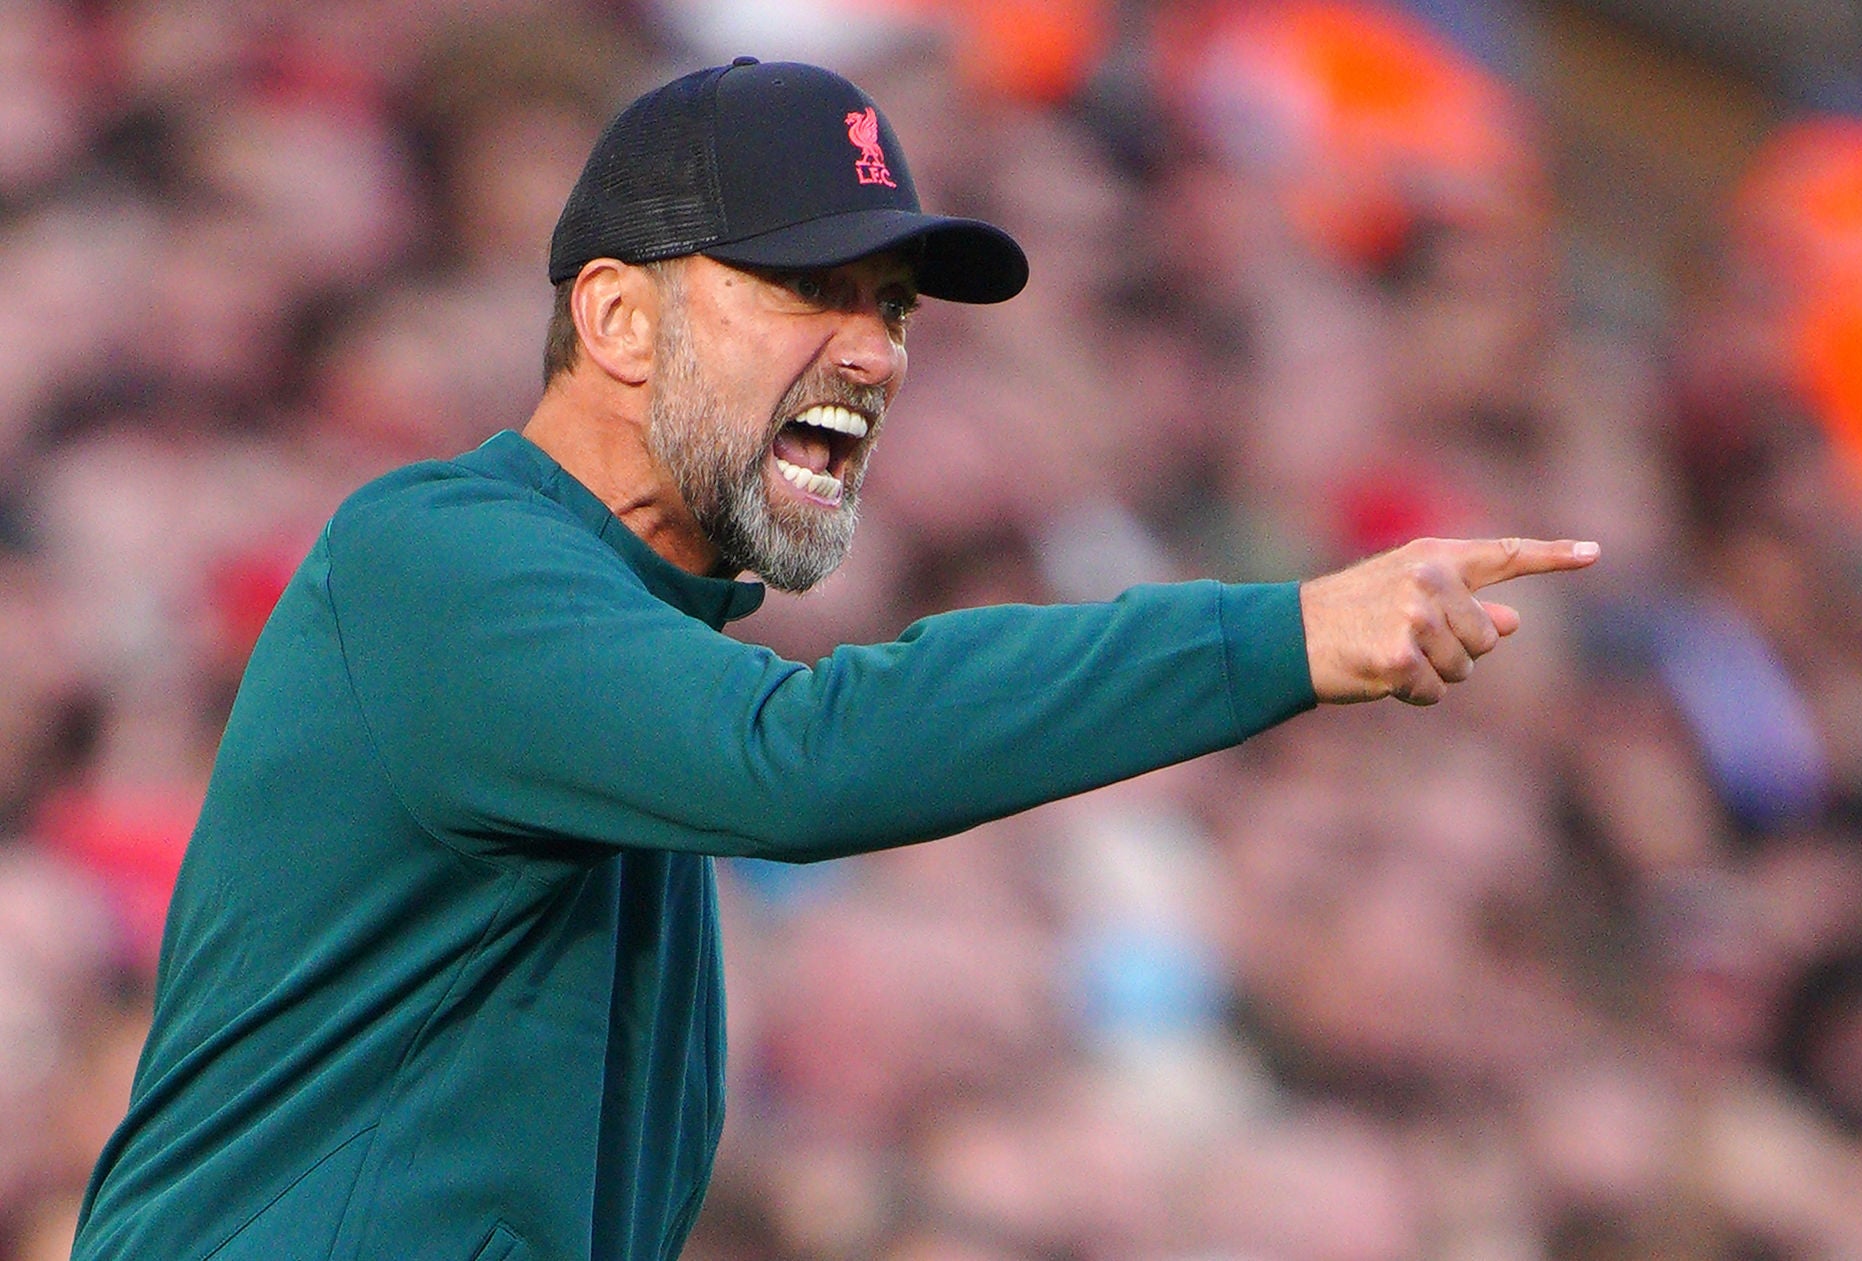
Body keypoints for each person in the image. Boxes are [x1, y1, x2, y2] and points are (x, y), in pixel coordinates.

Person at [70, 58, 1597, 1261]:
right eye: (807, 289)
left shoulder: (618, 657)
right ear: (615, 318)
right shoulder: (444, 559)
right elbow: (803, 756)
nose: (875, 351)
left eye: (890, 308)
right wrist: (1278, 632)